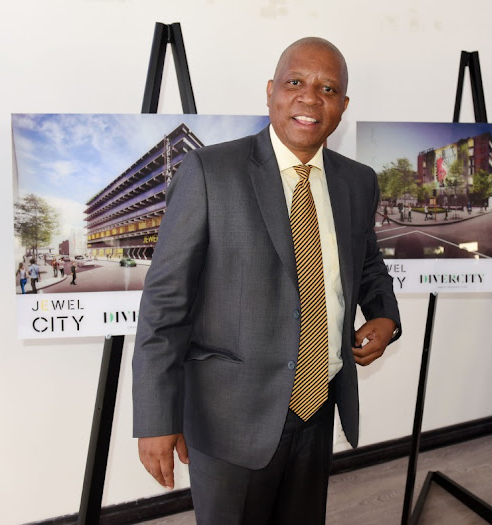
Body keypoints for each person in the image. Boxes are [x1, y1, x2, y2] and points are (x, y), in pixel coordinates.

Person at [132, 37, 401, 524]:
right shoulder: (210, 172)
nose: (309, 97)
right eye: (296, 82)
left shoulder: (357, 180)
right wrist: (157, 418)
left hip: (316, 409)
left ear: (342, 106)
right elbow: (164, 304)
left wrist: (383, 313)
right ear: (271, 90)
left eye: (327, 88)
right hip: (229, 417)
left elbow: (366, 263)